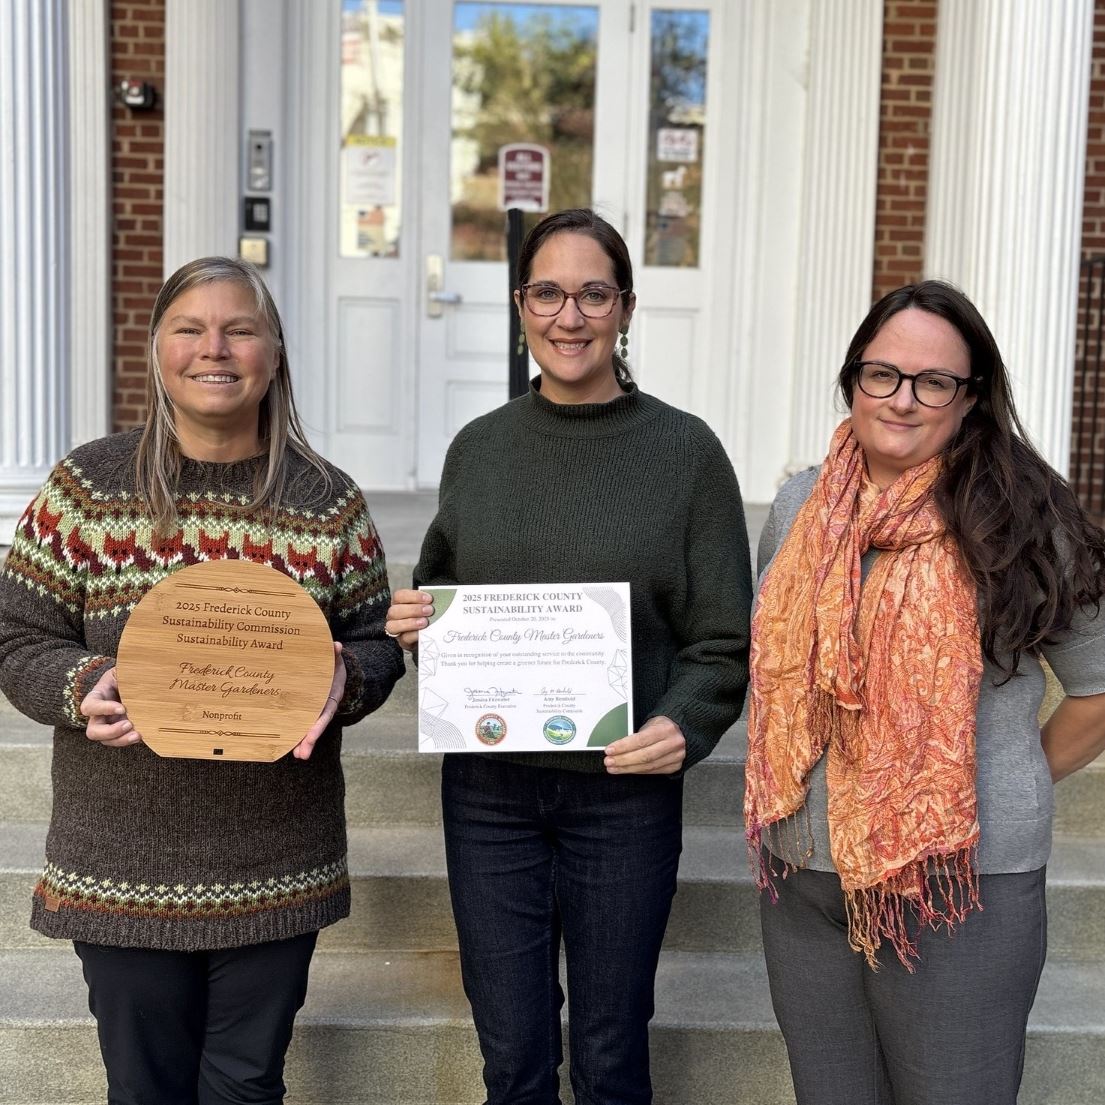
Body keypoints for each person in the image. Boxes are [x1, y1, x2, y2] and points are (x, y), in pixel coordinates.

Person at [0, 256, 404, 1105]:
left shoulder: (327, 501)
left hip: (274, 860)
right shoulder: (88, 488)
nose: (213, 348)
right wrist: (83, 685)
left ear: (274, 352)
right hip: (121, 860)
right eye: (189, 328)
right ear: (156, 349)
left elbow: (376, 642)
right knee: (143, 1089)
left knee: (246, 1087)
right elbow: (14, 634)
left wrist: (347, 677)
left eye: (239, 328)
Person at [385, 208, 753, 1105]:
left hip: (621, 791)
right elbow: (445, 602)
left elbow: (722, 639)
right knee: (511, 1056)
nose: (569, 315)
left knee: (610, 1051)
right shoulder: (480, 449)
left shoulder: (686, 453)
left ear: (624, 308)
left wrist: (682, 723)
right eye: (547, 292)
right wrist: (422, 628)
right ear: (520, 305)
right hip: (489, 794)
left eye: (593, 293)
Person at [745, 279, 1105, 1105]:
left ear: (971, 397)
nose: (902, 399)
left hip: (959, 883)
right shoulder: (802, 504)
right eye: (883, 374)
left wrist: (987, 778)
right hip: (806, 873)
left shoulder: (1021, 512)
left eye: (933, 381)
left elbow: (1095, 689)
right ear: (852, 378)